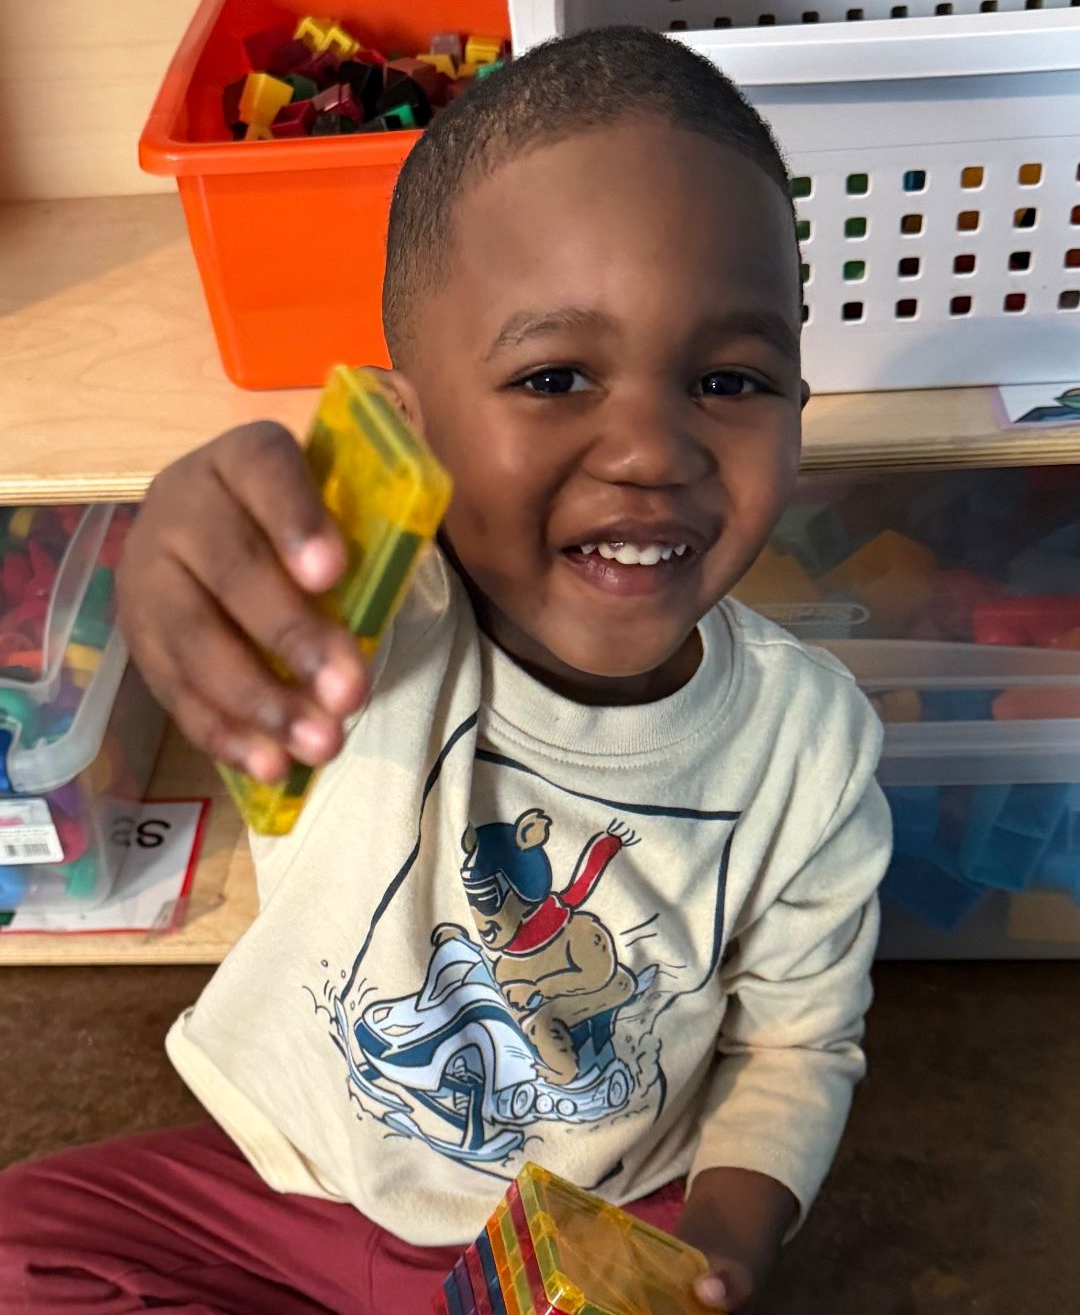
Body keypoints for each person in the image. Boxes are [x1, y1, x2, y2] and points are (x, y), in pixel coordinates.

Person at [0, 26, 891, 1315]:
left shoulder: (815, 744)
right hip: (291, 1184)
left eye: (729, 378)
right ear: (407, 428)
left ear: (799, 406)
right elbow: (238, 575)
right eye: (554, 375)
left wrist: (727, 1247)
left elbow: (798, 1041)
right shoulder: (373, 616)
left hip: (588, 1216)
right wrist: (182, 548)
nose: (651, 447)